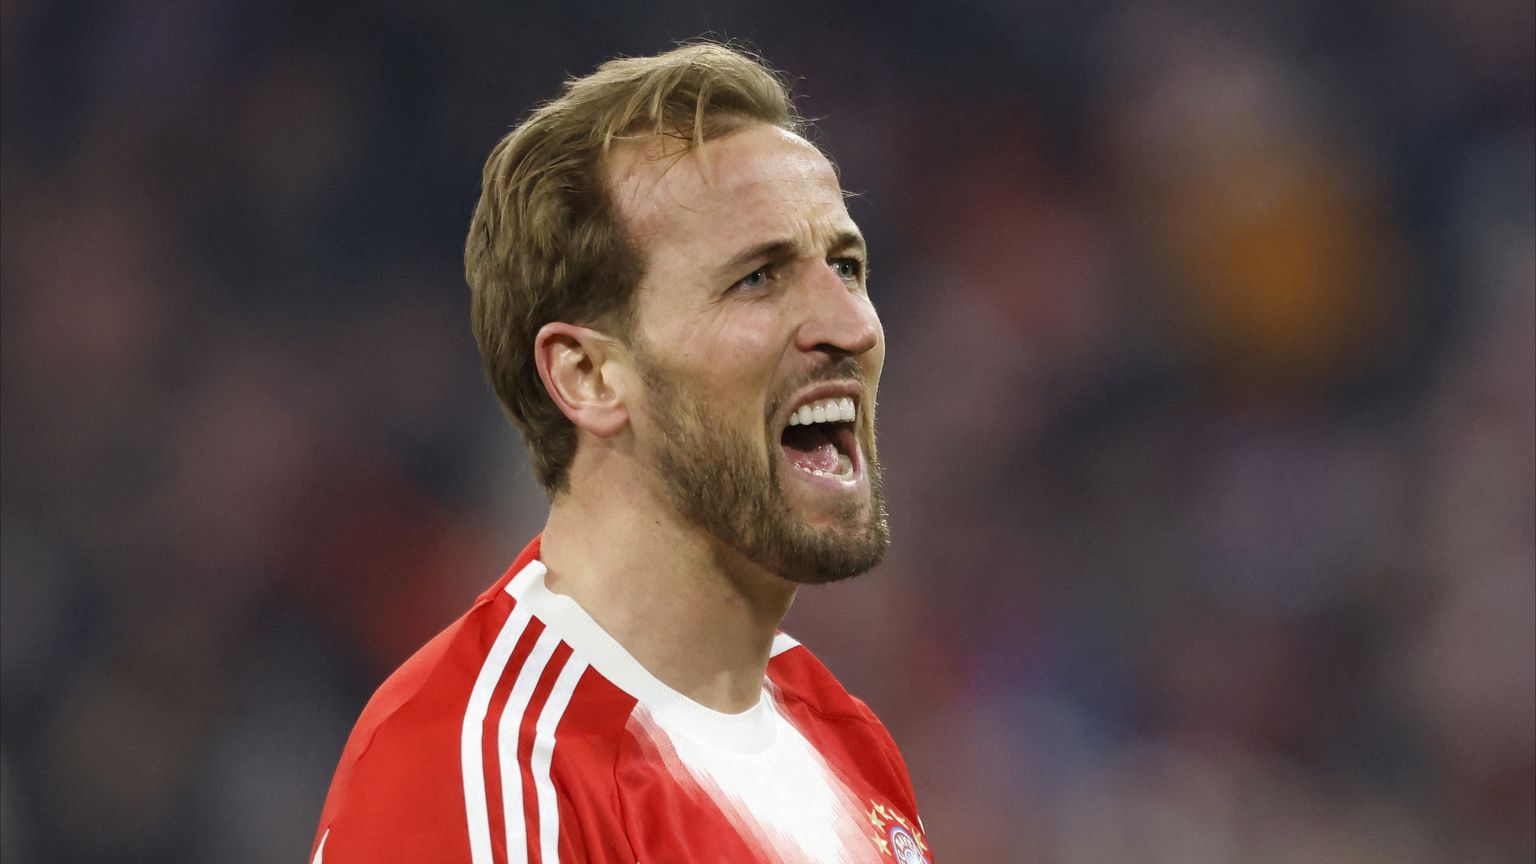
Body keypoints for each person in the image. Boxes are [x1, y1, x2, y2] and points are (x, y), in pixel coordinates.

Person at [310, 41, 932, 864]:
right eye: (758, 278)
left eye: (846, 267)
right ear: (589, 375)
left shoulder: (843, 737)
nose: (852, 326)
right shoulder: (485, 768)